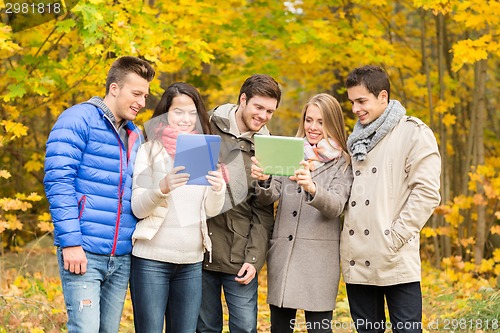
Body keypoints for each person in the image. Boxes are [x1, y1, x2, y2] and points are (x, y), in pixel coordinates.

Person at [43, 56, 155, 332]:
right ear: (114, 88)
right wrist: (70, 243)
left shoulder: (134, 135)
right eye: (136, 93)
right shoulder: (77, 119)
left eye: (145, 96)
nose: (142, 102)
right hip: (84, 251)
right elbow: (59, 180)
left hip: (121, 256)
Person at [340, 65, 441, 333]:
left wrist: (394, 237)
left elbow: (427, 192)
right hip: (358, 258)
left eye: (361, 101)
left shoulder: (413, 133)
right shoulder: (354, 139)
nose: (355, 109)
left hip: (395, 257)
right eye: (352, 102)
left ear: (383, 96)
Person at [250, 93, 353, 333]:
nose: (313, 127)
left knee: (319, 329)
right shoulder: (290, 152)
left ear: (333, 123)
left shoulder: (343, 163)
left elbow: (337, 205)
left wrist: (312, 187)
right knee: (280, 328)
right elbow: (270, 196)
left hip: (318, 260)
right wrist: (264, 181)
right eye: (309, 120)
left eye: (321, 122)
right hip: (284, 256)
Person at [129, 82, 226, 333]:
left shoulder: (204, 150)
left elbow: (210, 211)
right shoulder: (150, 149)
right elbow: (138, 209)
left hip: (191, 263)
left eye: (192, 113)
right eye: (178, 111)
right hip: (151, 261)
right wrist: (161, 187)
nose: (186, 119)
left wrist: (218, 189)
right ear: (165, 113)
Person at [196, 74, 282, 333]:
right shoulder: (206, 126)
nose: (264, 116)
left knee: (245, 328)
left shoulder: (270, 147)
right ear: (243, 100)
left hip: (240, 255)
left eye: (270, 111)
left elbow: (264, 212)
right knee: (204, 328)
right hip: (200, 251)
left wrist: (254, 259)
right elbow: (187, 189)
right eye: (259, 107)